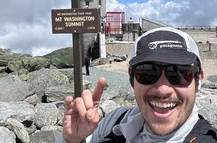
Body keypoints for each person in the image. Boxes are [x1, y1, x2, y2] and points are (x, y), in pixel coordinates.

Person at [56, 27, 217, 143]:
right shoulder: (115, 122)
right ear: (131, 78)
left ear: (199, 80)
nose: (162, 89)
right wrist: (71, 140)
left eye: (179, 73)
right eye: (147, 72)